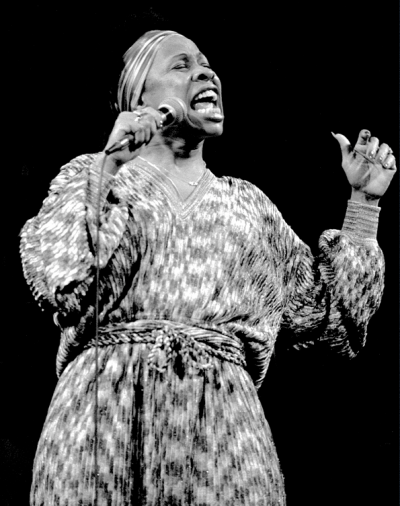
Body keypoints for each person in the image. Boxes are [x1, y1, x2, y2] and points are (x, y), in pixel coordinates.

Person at [20, 29, 396, 506]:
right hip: (102, 422)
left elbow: (329, 322)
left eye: (206, 63)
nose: (206, 72)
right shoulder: (93, 178)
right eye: (181, 65)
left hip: (222, 431)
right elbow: (63, 279)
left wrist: (363, 206)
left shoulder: (248, 207)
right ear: (138, 98)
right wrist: (109, 166)